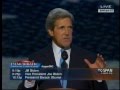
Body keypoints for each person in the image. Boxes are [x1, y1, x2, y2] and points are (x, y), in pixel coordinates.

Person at [17, 8, 108, 90]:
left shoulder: (89, 59)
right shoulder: (36, 59)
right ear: (51, 31)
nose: (67, 33)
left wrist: (98, 78)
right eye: (62, 28)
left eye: (70, 28)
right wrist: (29, 81)